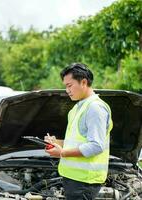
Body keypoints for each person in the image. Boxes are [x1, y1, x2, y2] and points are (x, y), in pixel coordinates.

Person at [45, 63, 113, 200]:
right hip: (74, 179)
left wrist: (62, 153)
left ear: (83, 82)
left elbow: (96, 145)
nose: (67, 90)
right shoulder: (76, 109)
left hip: (85, 182)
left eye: (69, 85)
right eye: (65, 86)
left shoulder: (95, 108)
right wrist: (56, 142)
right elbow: (75, 141)